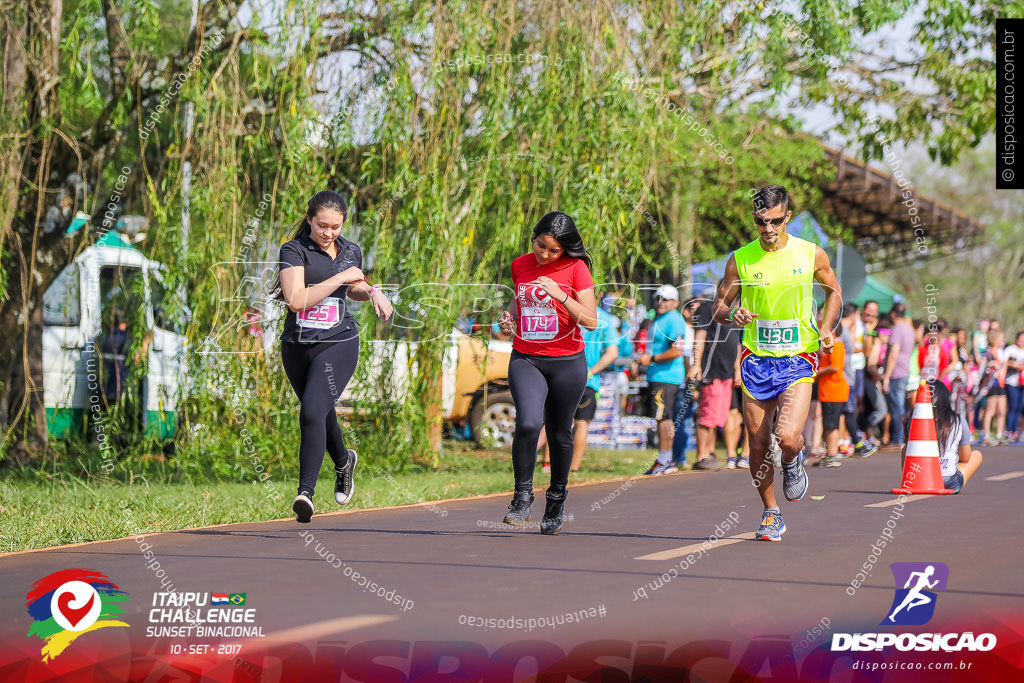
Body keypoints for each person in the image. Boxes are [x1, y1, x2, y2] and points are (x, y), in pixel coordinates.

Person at [712, 184, 842, 542]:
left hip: (798, 357)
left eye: (774, 221)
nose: (767, 229)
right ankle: (771, 513)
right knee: (756, 444)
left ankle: (791, 458)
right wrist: (732, 315)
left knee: (786, 436)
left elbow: (834, 291)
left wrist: (827, 326)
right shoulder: (740, 259)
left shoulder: (810, 254)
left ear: (787, 217)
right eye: (760, 222)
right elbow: (718, 308)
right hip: (756, 358)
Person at [278, 190, 394, 523]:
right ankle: (343, 462)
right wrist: (341, 277)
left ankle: (305, 494)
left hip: (338, 341)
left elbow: (353, 288)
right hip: (298, 345)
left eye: (336, 226)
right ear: (310, 220)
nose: (328, 233)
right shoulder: (293, 250)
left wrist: (372, 291)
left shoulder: (351, 250)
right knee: (322, 412)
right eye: (322, 225)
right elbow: (297, 299)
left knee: (312, 411)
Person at [497, 211, 598, 534]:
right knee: (527, 422)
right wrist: (508, 317)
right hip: (526, 357)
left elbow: (591, 320)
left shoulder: (576, 268)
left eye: (554, 250)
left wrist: (560, 295)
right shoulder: (520, 264)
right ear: (534, 238)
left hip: (567, 361)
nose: (546, 255)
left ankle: (556, 499)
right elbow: (520, 300)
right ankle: (522, 496)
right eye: (541, 246)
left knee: (559, 433)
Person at [688, 287, 744, 470]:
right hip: (711, 371)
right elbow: (700, 337)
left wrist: (737, 369)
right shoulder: (707, 308)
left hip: (727, 373)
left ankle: (710, 453)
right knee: (707, 415)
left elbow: (736, 344)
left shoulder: (735, 314)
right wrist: (697, 364)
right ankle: (701, 455)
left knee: (717, 417)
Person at [900, 380, 982, 494]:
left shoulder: (911, 419)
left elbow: (909, 451)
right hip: (948, 482)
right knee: (977, 455)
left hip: (918, 479)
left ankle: (910, 479)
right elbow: (965, 457)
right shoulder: (957, 420)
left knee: (906, 448)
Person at [639, 285, 687, 475]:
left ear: (675, 302)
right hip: (658, 375)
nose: (661, 302)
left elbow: (677, 350)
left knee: (663, 417)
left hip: (666, 376)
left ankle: (665, 460)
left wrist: (651, 359)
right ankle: (666, 460)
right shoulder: (661, 319)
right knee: (661, 417)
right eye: (658, 298)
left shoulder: (674, 320)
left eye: (666, 299)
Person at [880, 303, 915, 449]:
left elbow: (894, 353)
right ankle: (901, 437)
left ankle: (897, 439)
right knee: (901, 407)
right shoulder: (908, 329)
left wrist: (887, 375)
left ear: (893, 314)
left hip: (897, 373)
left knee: (897, 408)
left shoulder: (897, 330)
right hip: (905, 370)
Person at [814, 332, 849, 468]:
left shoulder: (837, 344)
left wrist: (816, 371)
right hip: (828, 390)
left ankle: (832, 454)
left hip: (833, 390)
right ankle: (830, 454)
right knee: (828, 424)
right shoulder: (831, 344)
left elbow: (835, 366)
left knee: (831, 424)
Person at [980, 330, 1008, 445]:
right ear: (994, 340)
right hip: (992, 383)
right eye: (1001, 339)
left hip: (1001, 382)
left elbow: (1004, 365)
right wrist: (990, 364)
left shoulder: (1002, 352)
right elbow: (983, 364)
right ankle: (986, 435)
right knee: (990, 410)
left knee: (1001, 411)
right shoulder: (988, 352)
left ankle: (999, 435)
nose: (1003, 341)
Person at [1003, 332, 1024, 443]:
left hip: (1022, 384)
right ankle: (1009, 430)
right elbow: (1003, 362)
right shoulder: (1011, 349)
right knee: (1012, 406)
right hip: (1012, 382)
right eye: (1020, 339)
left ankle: (1016, 431)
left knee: (1020, 408)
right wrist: (1013, 364)